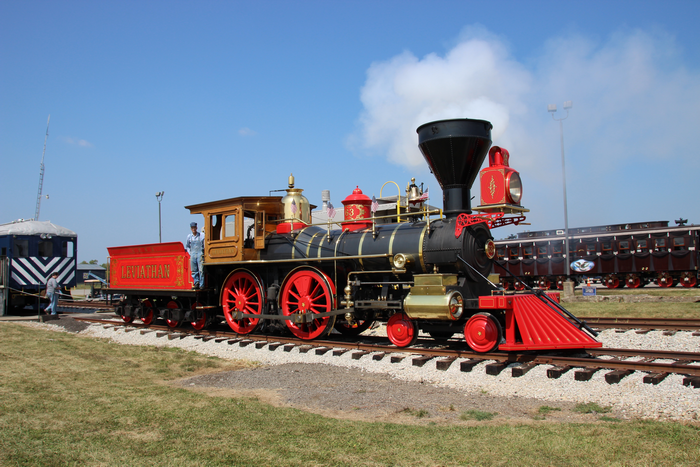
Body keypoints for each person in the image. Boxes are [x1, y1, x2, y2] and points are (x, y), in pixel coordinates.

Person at [185, 221, 205, 289]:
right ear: (191, 228)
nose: (193, 229)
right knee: (194, 270)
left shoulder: (201, 235)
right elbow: (187, 246)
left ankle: (202, 284)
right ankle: (196, 283)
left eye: (194, 227)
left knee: (201, 270)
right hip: (193, 254)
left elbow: (203, 244)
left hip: (199, 254)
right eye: (192, 228)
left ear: (196, 228)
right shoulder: (189, 237)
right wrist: (190, 253)